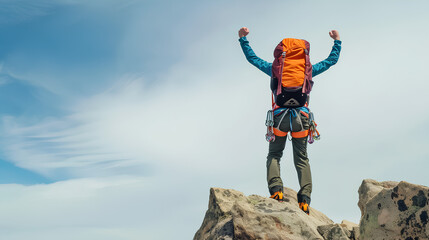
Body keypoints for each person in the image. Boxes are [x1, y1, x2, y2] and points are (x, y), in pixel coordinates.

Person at [238, 27, 342, 215]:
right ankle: (304, 201)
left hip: (279, 119)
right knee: (301, 159)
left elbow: (252, 59)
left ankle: (276, 191)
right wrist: (337, 41)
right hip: (301, 119)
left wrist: (243, 39)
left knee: (275, 154)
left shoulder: (275, 69)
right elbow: (331, 61)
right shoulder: (307, 71)